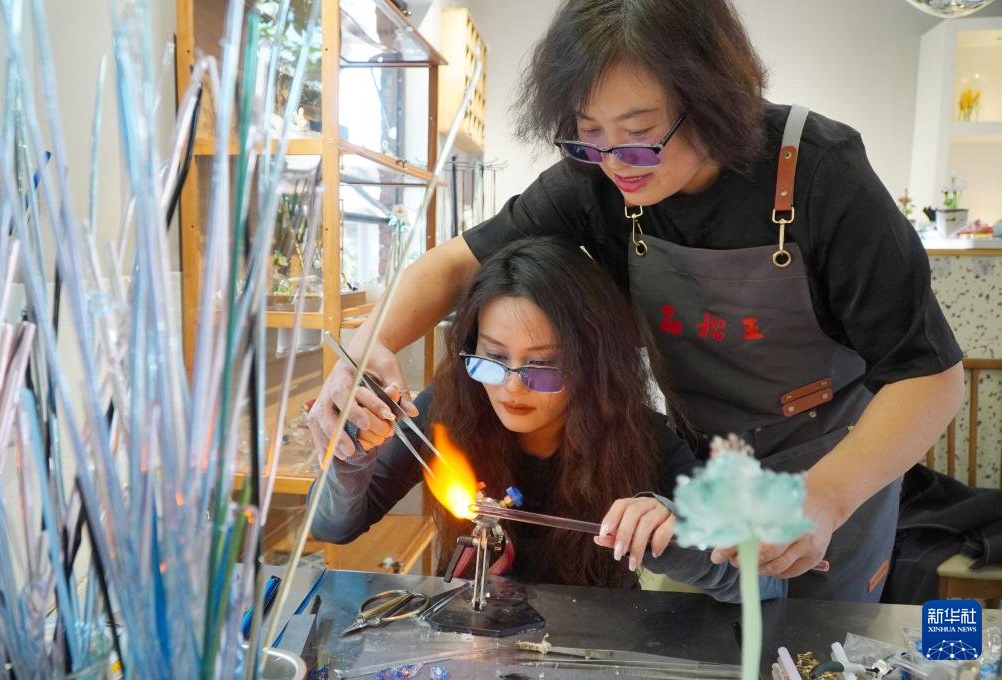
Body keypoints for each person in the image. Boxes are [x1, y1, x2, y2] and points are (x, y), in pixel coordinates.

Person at [308, 0, 964, 602]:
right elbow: (456, 263)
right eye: (587, 133)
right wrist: (366, 350)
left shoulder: (822, 174)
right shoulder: (597, 177)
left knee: (816, 646)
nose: (614, 161)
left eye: (639, 132)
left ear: (711, 99)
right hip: (703, 459)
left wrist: (824, 497)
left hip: (828, 461)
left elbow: (930, 378)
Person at [310, 238, 784, 601]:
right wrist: (351, 456)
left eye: (543, 365)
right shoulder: (444, 410)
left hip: (594, 649)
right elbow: (331, 528)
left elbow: (763, 585)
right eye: (493, 358)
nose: (512, 387)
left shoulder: (643, 439)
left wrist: (673, 533)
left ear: (592, 365)